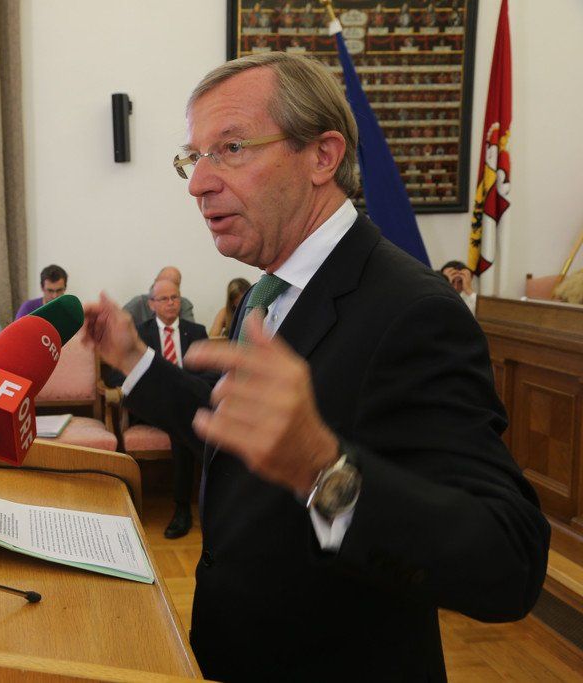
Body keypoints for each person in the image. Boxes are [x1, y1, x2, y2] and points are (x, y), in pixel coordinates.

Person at [83, 52, 548, 680]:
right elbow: (237, 428)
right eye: (194, 158)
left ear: (323, 157)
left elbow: (509, 562)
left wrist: (321, 469)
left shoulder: (415, 310)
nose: (198, 183)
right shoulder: (268, 289)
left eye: (231, 149)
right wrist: (133, 359)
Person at [106, 278, 216, 539]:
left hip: (187, 408)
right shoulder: (139, 334)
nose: (171, 303)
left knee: (183, 421)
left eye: (175, 297)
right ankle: (186, 508)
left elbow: (211, 374)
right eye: (164, 299)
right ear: (151, 304)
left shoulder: (196, 331)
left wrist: (182, 389)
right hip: (151, 408)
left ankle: (190, 506)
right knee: (183, 421)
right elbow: (114, 375)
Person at [122, 266, 196, 325]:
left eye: (173, 285)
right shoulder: (138, 304)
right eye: (163, 284)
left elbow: (192, 333)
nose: (170, 302)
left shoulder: (183, 304)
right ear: (155, 282)